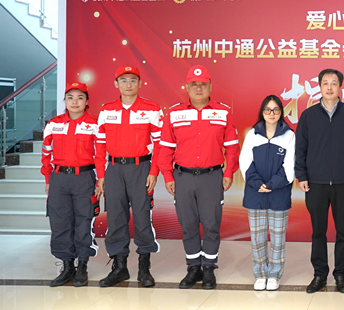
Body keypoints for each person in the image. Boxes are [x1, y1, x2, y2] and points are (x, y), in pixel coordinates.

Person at [158, 65, 240, 290]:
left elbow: (232, 147)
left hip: (212, 177)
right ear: (186, 87)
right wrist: (167, 175)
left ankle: (209, 268)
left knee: (211, 224)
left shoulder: (223, 112)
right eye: (194, 84)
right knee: (189, 225)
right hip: (182, 177)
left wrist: (229, 172)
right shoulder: (175, 113)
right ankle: (193, 267)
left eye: (203, 84)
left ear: (210, 86)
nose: (198, 88)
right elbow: (165, 148)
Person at [295, 69, 344, 294]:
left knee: (343, 231)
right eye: (325, 83)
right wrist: (302, 175)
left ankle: (340, 274)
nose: (329, 87)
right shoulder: (308, 115)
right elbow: (300, 148)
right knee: (318, 231)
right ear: (319, 86)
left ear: (340, 87)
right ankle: (319, 274)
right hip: (315, 183)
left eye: (334, 83)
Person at [95, 66, 162, 288]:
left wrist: (154, 171)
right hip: (114, 169)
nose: (128, 84)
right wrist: (101, 174)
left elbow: (160, 144)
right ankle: (119, 267)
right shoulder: (107, 110)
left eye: (133, 80)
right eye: (123, 80)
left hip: (141, 169)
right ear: (116, 84)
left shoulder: (151, 109)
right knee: (115, 218)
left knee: (143, 218)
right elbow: (99, 145)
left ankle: (144, 268)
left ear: (140, 83)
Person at [41, 82, 100, 287]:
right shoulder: (53, 124)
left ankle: (82, 265)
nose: (75, 102)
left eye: (80, 97)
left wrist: (100, 180)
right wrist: (48, 180)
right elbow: (46, 154)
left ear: (87, 101)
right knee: (59, 223)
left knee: (84, 222)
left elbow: (101, 155)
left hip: (84, 178)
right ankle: (67, 267)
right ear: (65, 101)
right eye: (70, 97)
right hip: (58, 179)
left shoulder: (95, 124)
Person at [239, 95, 295, 291]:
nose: (272, 113)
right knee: (258, 238)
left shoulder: (289, 135)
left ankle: (274, 275)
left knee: (278, 238)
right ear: (262, 112)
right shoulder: (252, 134)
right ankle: (260, 274)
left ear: (281, 112)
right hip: (256, 193)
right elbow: (245, 161)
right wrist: (257, 183)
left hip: (278, 192)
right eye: (268, 110)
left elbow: (290, 165)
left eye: (276, 109)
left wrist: (272, 184)